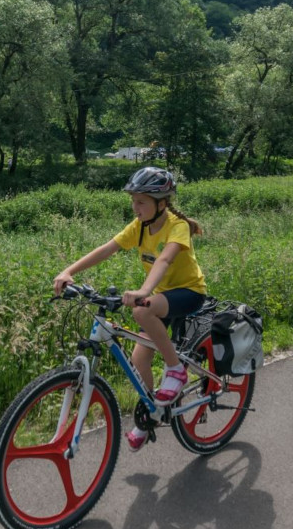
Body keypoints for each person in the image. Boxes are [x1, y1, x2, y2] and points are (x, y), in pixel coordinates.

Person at [53, 166, 208, 452]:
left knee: (141, 311)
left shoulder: (178, 226)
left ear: (161, 203)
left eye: (141, 202)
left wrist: (143, 292)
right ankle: (151, 416)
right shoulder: (140, 226)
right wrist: (68, 270)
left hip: (188, 293)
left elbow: (163, 261)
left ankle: (175, 370)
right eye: (133, 201)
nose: (135, 208)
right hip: (160, 297)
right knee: (139, 361)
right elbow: (107, 248)